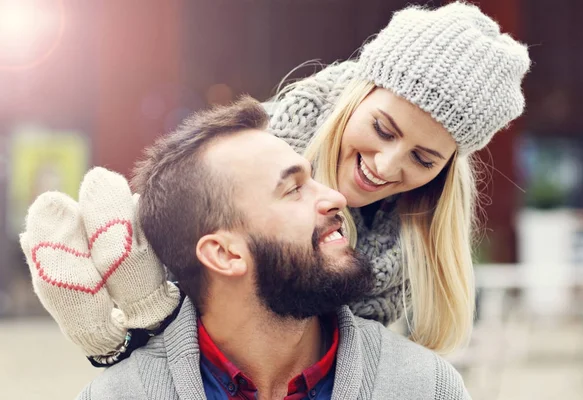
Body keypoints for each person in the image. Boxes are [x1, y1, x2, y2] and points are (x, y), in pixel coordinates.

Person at [20, 1, 530, 360]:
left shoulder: (417, 248)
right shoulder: (239, 152)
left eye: (423, 158)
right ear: (358, 93)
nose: (387, 165)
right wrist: (116, 344)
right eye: (382, 129)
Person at [54, 96, 467, 399]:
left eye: (314, 178)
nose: (335, 198)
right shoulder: (118, 396)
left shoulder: (425, 386)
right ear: (224, 254)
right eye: (294, 190)